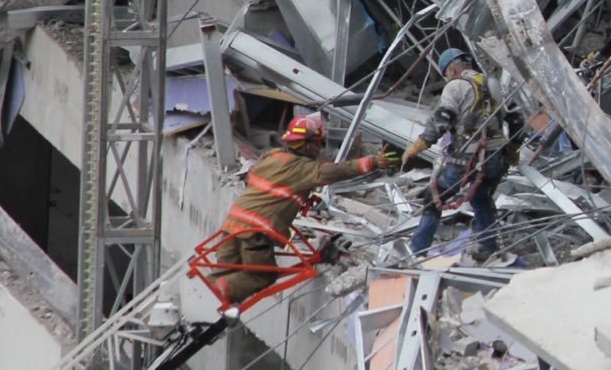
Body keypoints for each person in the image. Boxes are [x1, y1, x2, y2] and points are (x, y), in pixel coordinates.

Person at [209, 114, 397, 305]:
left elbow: (259, 182)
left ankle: (222, 309)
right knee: (262, 275)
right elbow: (337, 171)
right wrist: (372, 162)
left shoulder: (271, 156)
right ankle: (226, 301)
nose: (320, 148)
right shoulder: (303, 168)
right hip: (256, 231)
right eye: (317, 143)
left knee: (224, 272)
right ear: (306, 144)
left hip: (232, 223)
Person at [401, 48, 525, 263]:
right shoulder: (494, 84)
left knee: (434, 199)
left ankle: (417, 251)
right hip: (496, 158)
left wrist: (419, 144)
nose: (447, 77)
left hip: (468, 158)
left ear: (451, 69)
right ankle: (488, 248)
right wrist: (514, 147)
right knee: (481, 198)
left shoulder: (455, 87)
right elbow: (516, 119)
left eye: (446, 73)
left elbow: (443, 119)